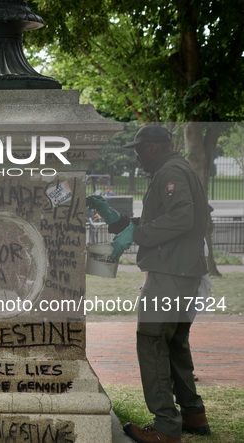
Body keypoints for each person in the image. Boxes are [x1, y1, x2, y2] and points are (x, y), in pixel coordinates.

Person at [87, 125, 209, 443]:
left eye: (139, 149)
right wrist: (118, 220)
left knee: (152, 340)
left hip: (170, 272)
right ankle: (193, 413)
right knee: (174, 343)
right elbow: (166, 219)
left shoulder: (170, 171)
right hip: (181, 271)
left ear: (153, 147)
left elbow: (182, 217)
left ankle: (166, 427)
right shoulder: (174, 168)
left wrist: (136, 234)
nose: (137, 156)